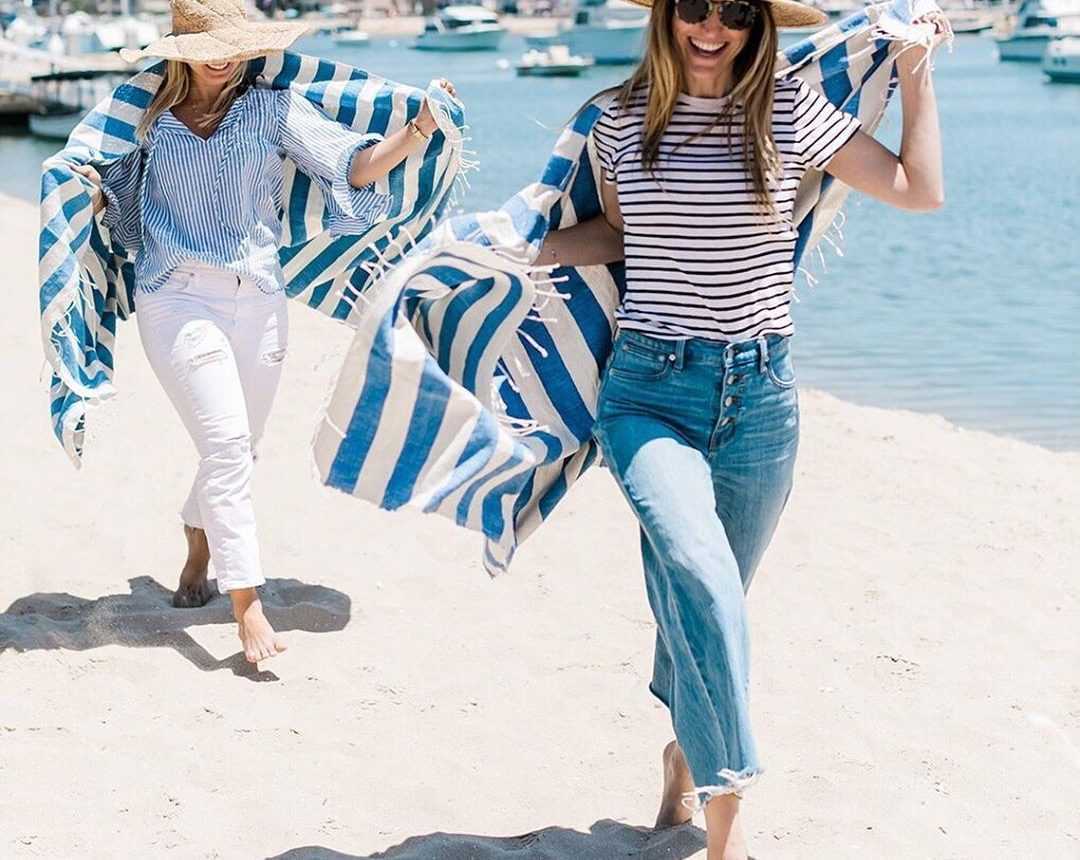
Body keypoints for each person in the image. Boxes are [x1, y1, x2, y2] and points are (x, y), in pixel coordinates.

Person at [535, 0, 950, 856]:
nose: (712, 26)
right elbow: (618, 234)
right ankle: (725, 830)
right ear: (665, 14)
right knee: (703, 580)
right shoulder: (618, 121)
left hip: (760, 403)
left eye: (734, 9)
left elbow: (920, 191)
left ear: (759, 22)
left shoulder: (789, 111)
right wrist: (524, 250)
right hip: (648, 395)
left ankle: (684, 754)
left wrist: (916, 75)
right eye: (694, 6)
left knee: (710, 596)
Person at [73, 0, 456, 663]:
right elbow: (122, 212)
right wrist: (94, 192)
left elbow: (353, 166)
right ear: (182, 52)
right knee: (226, 446)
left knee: (237, 451)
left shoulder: (272, 109)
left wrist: (420, 126)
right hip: (176, 298)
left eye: (234, 45)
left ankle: (198, 538)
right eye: (209, 47)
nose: (223, 58)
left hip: (259, 301)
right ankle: (246, 602)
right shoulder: (147, 120)